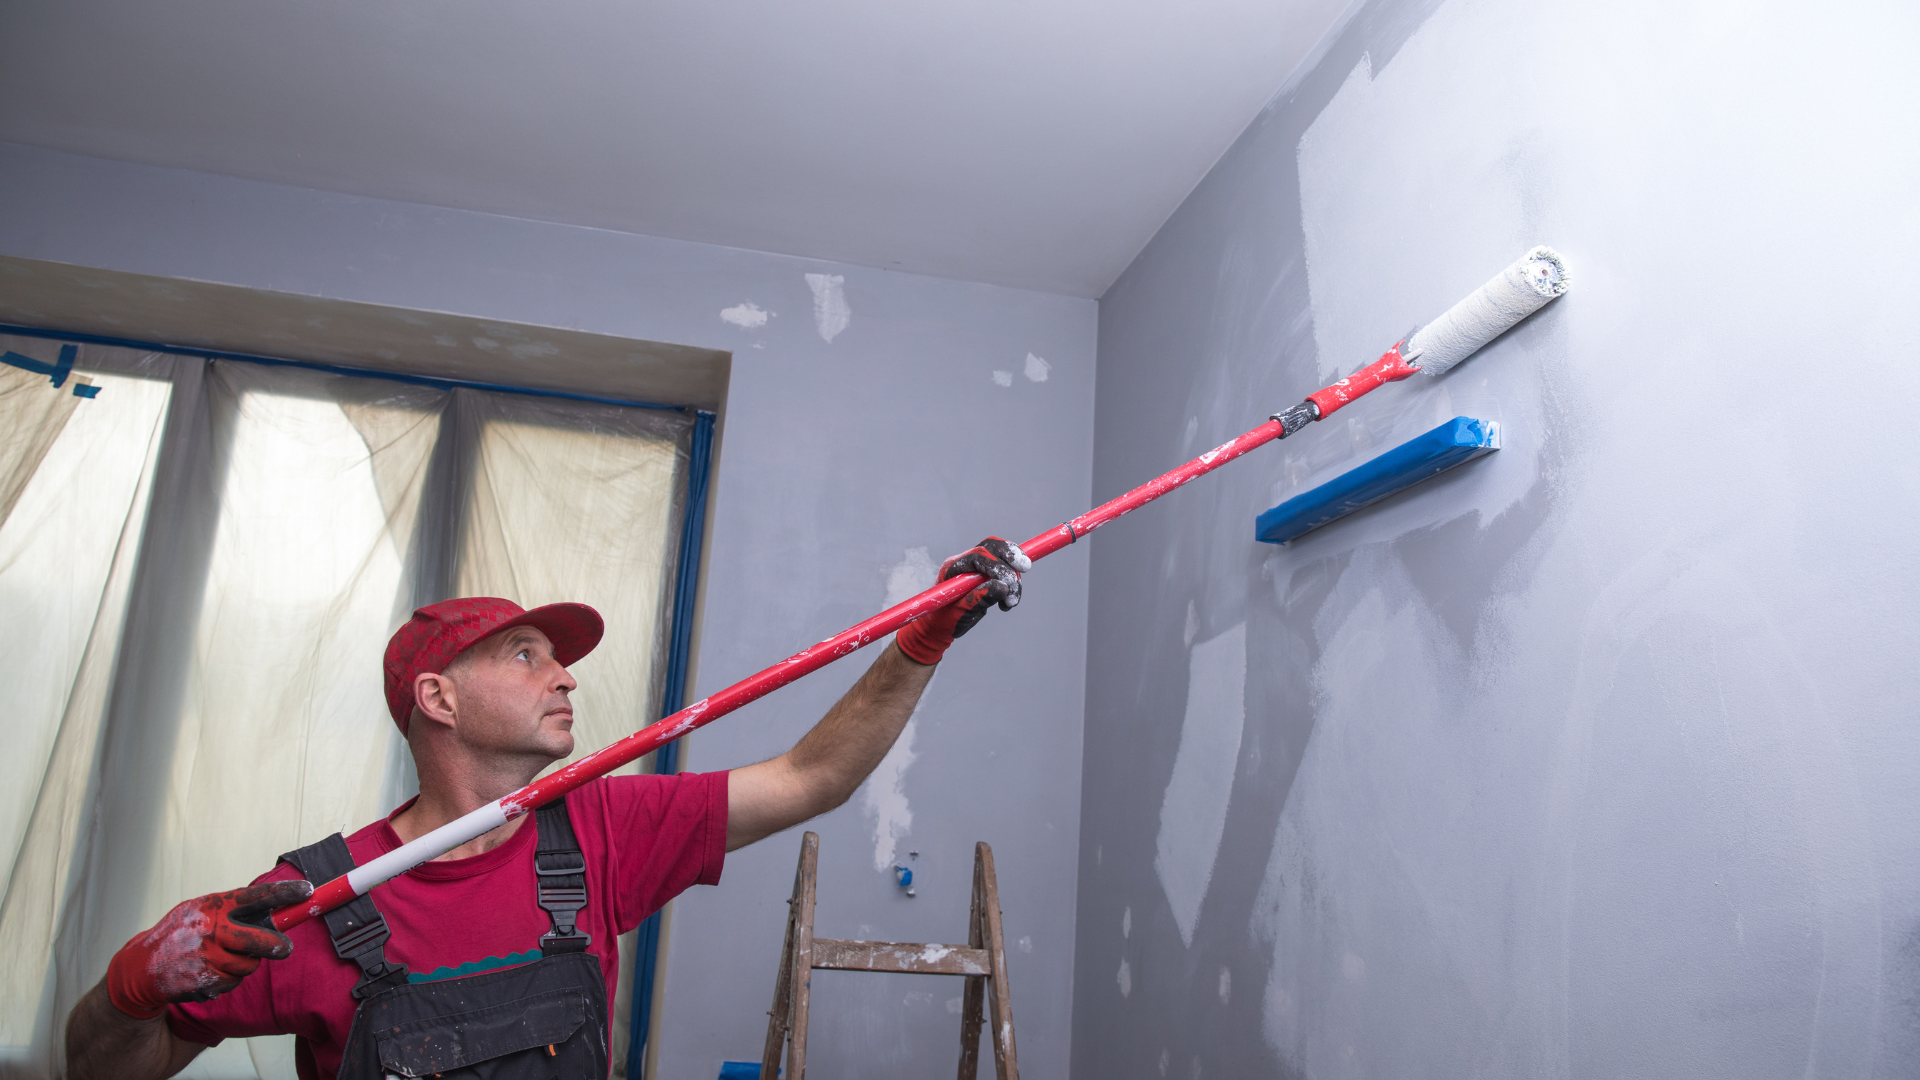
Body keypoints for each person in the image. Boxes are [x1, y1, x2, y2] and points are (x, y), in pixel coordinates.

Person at [64, 538, 1030, 1080]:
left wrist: (918, 644)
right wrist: (129, 993)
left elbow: (814, 778)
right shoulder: (307, 903)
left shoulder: (604, 830)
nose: (564, 674)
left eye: (555, 656)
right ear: (437, 700)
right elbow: (106, 1075)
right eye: (523, 654)